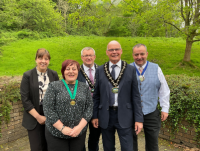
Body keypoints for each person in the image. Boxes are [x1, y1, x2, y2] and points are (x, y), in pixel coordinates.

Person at [91, 40, 143, 151]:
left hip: (125, 115)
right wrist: (95, 115)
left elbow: (136, 96)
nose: (114, 52)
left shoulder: (130, 69)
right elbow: (96, 96)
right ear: (106, 52)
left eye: (116, 49)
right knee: (108, 148)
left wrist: (139, 119)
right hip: (106, 115)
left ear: (121, 51)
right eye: (111, 50)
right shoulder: (100, 70)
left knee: (128, 148)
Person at [43, 59, 93, 151]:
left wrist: (79, 127)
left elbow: (89, 108)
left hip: (77, 133)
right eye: (68, 69)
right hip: (56, 133)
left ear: (78, 71)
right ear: (63, 71)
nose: (71, 72)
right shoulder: (54, 86)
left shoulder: (84, 87)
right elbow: (48, 109)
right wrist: (62, 128)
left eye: (74, 69)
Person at [130, 44, 170, 151]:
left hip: (151, 112)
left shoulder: (156, 68)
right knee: (130, 143)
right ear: (133, 55)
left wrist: (165, 108)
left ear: (146, 54)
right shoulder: (127, 69)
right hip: (132, 113)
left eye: (142, 54)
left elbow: (164, 90)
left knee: (152, 144)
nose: (139, 57)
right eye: (136, 54)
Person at [20, 48, 59, 151]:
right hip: (33, 114)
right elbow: (25, 99)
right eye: (40, 58)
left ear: (49, 61)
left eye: (46, 59)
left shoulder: (54, 74)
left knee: (50, 146)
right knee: (37, 147)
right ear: (36, 59)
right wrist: (38, 117)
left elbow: (57, 96)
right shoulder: (27, 75)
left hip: (50, 115)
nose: (43, 61)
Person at [77, 47, 101, 151]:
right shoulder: (76, 71)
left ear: (94, 56)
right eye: (86, 55)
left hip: (97, 110)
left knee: (95, 137)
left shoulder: (102, 70)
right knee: (80, 137)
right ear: (82, 57)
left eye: (90, 55)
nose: (88, 57)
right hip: (80, 110)